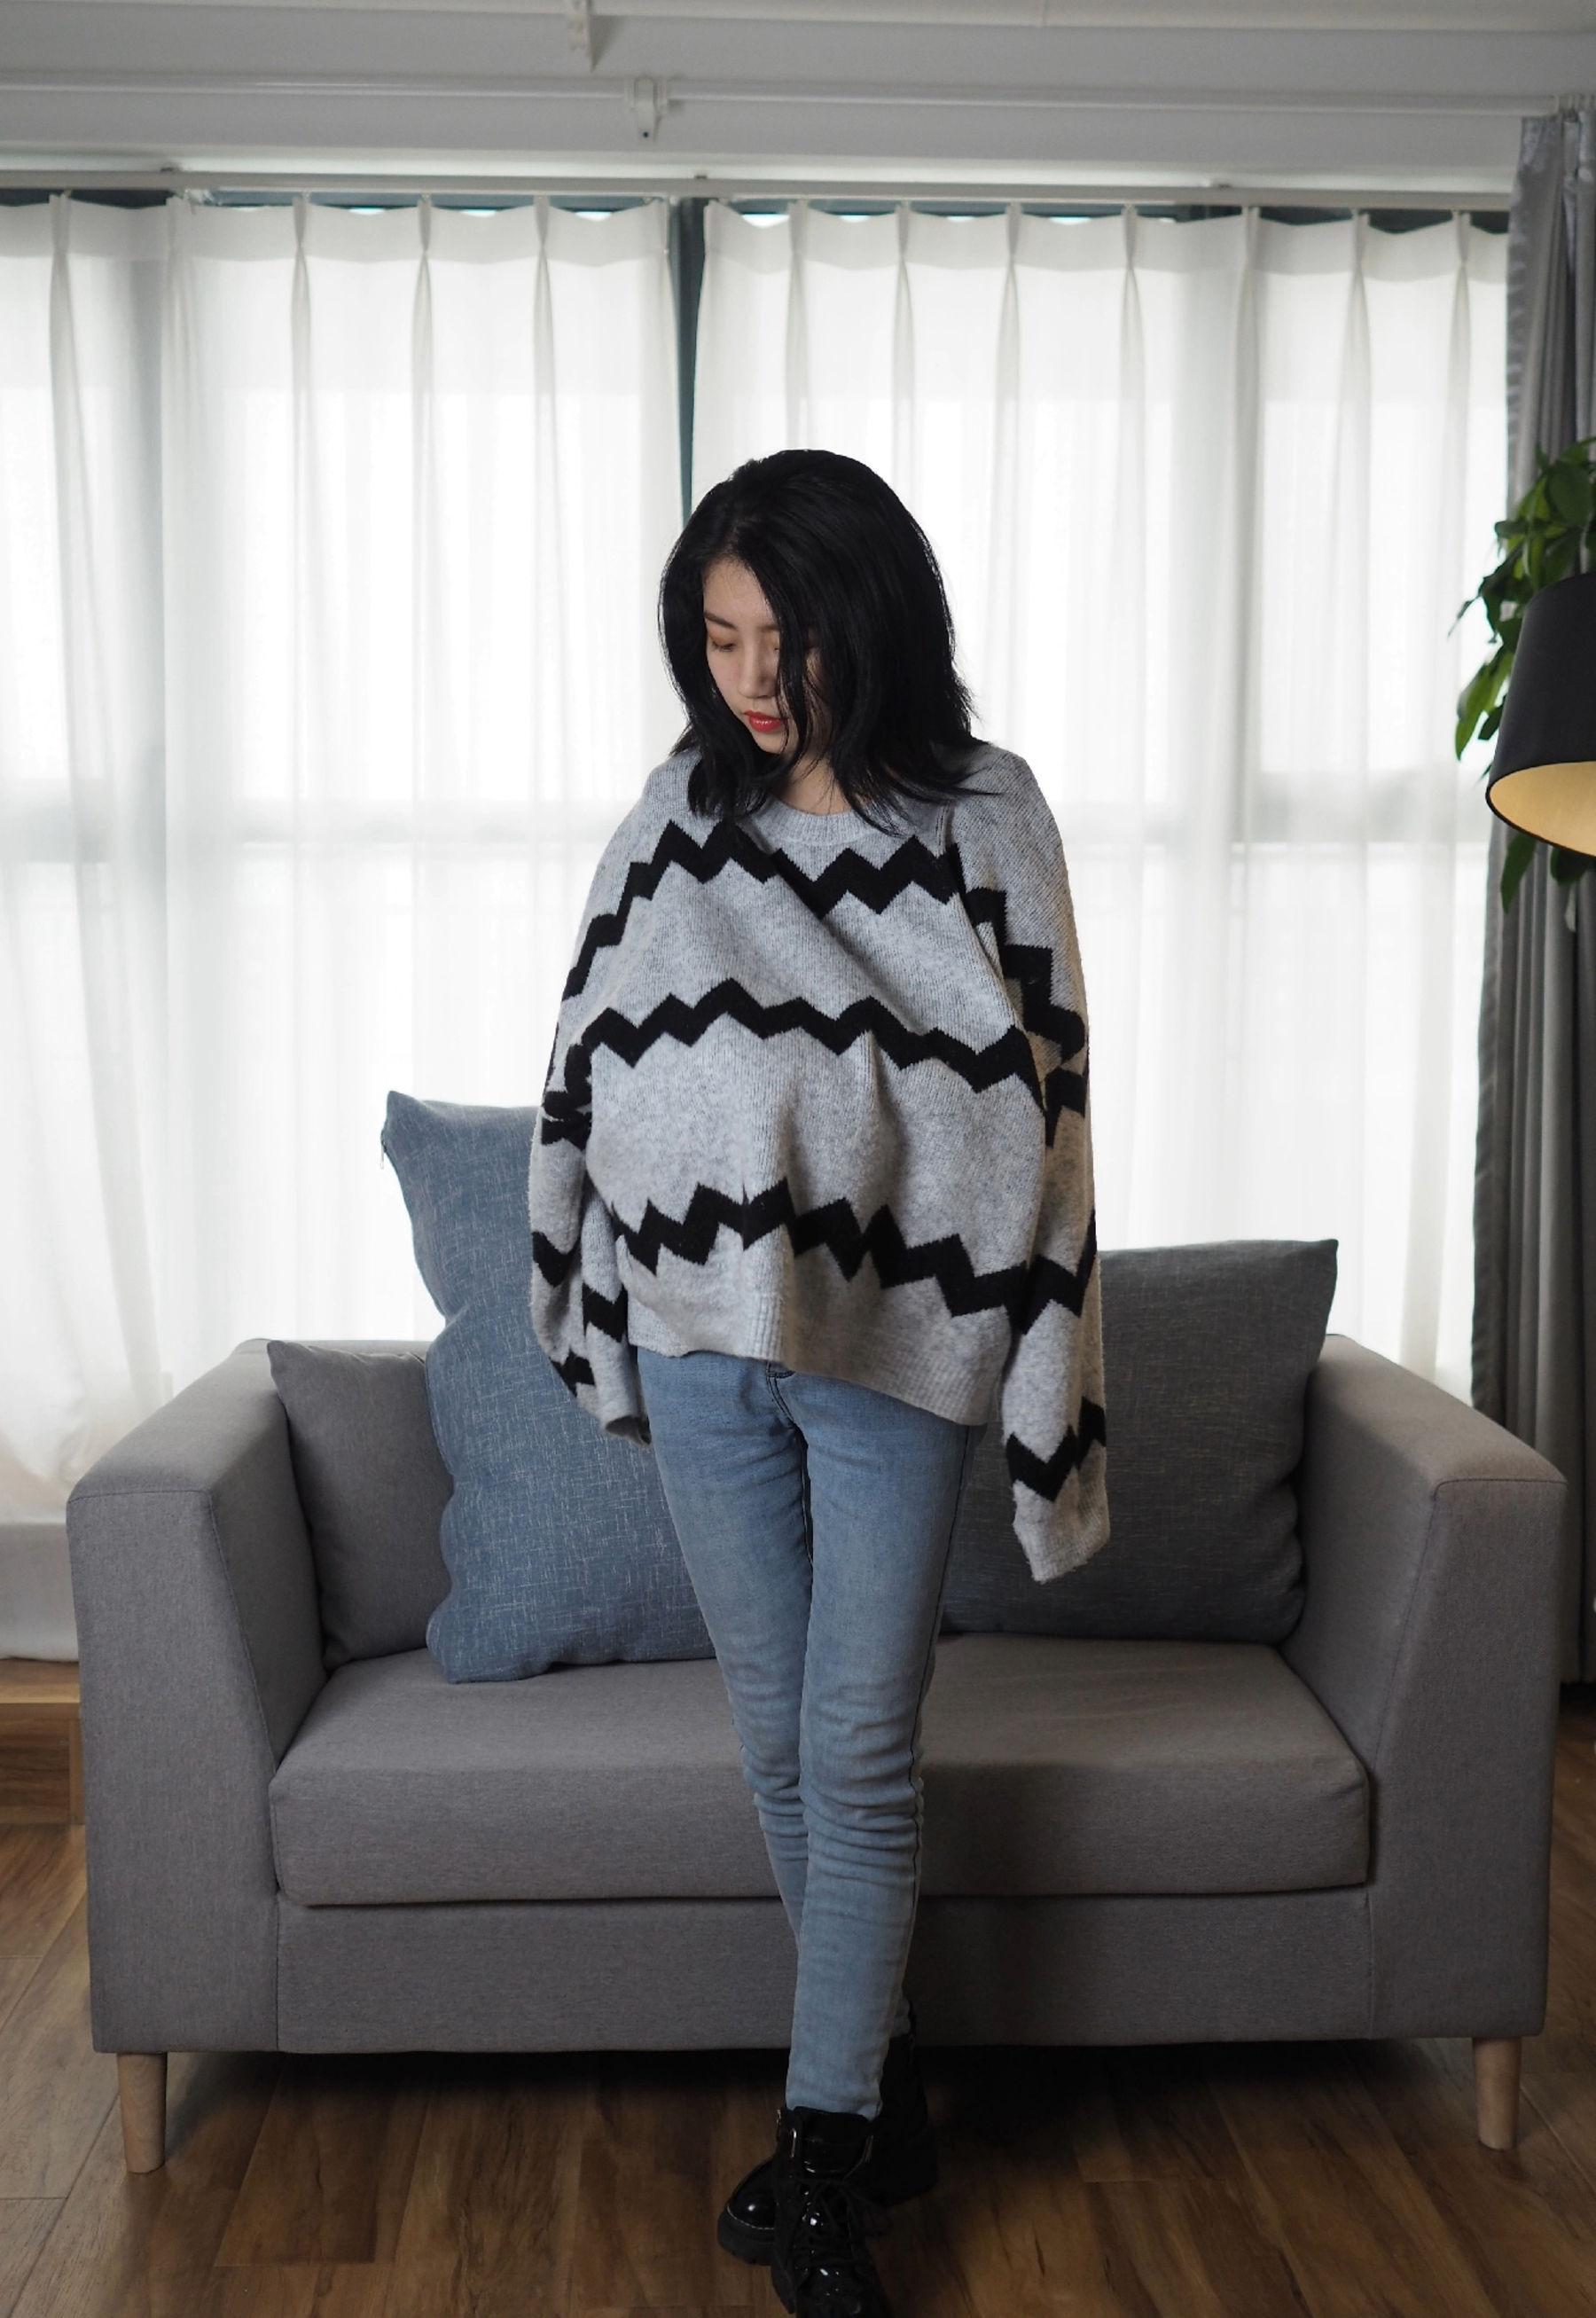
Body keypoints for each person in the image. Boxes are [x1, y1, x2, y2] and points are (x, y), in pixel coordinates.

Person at [528, 447, 1109, 2318]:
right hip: (703, 1336)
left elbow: (1039, 1096)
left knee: (857, 1745)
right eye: (719, 640)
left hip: (895, 1342)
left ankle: (822, 2159)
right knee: (780, 1741)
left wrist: (1044, 1345)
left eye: (788, 638)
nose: (756, 680)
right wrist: (599, 1242)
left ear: (876, 618)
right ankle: (884, 2094)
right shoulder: (675, 810)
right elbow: (592, 1040)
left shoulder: (985, 814)